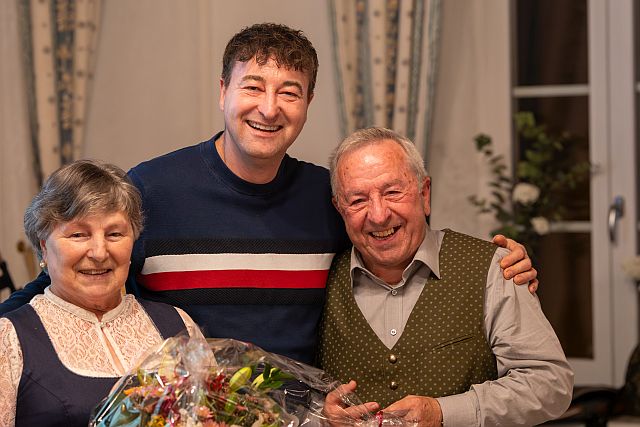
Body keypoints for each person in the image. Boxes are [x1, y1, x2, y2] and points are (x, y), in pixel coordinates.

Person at [0, 24, 537, 365]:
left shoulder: (327, 198)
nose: (269, 107)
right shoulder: (151, 188)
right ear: (223, 92)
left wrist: (498, 265)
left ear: (308, 104)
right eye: (253, 86)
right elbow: (66, 282)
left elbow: (404, 243)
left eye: (289, 92)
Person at [318, 127, 573, 427]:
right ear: (340, 208)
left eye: (392, 192)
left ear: (424, 194)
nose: (378, 214)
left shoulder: (493, 269)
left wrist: (444, 413)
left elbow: (550, 383)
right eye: (358, 200)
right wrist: (321, 416)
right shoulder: (319, 278)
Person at [0, 160, 204, 427]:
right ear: (44, 247)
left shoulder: (180, 326)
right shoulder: (9, 340)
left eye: (115, 233)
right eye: (78, 235)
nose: (99, 252)